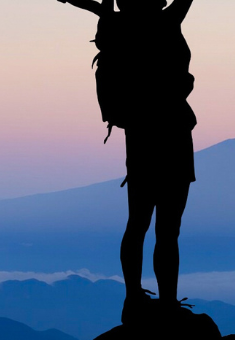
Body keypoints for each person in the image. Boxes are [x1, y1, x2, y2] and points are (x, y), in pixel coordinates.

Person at [57, 0, 197, 323]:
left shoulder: (118, 27)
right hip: (173, 135)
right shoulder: (166, 22)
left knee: (138, 223)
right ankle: (166, 304)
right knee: (167, 230)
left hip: (141, 140)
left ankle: (133, 296)